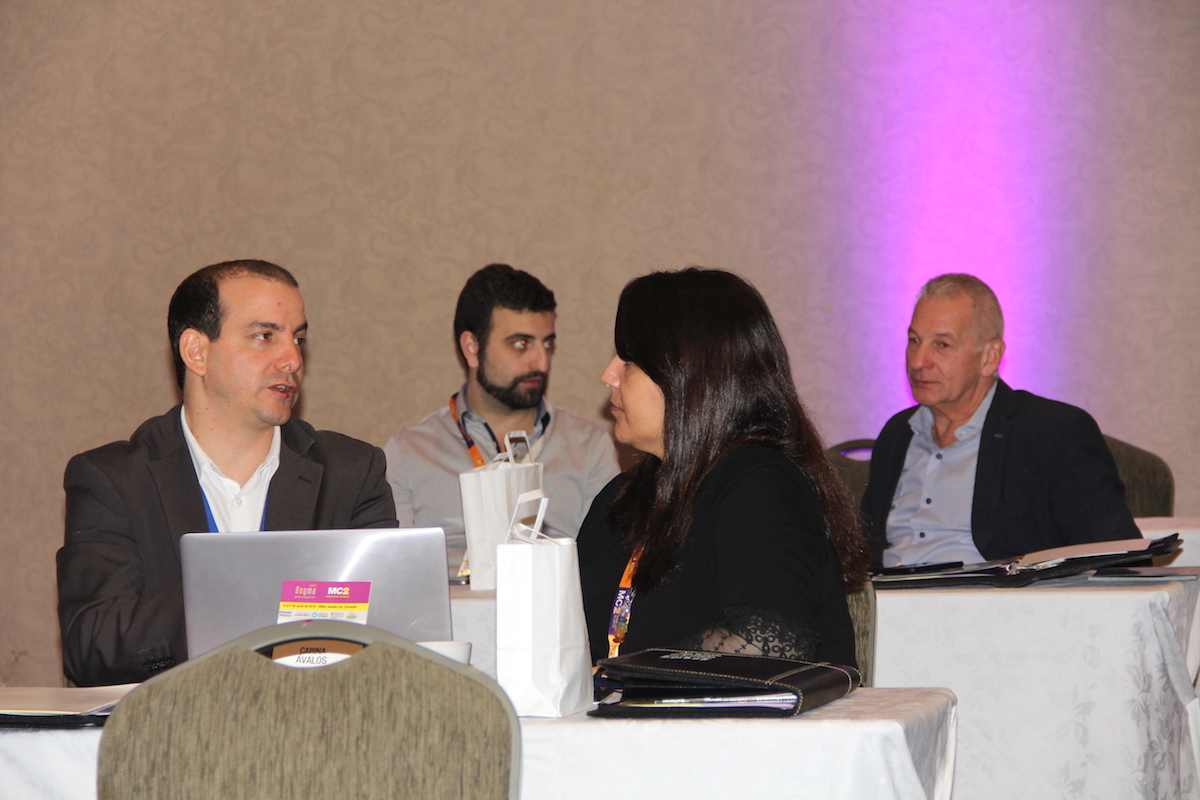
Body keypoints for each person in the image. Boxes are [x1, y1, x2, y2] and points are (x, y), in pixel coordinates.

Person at [57, 260, 397, 686]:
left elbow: (390, 627)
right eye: (264, 336)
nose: (292, 359)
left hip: (315, 713)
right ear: (196, 352)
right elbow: (92, 644)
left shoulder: (351, 472)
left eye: (298, 339)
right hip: (173, 720)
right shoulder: (114, 479)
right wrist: (244, 596)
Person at [577, 268, 869, 668]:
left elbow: (771, 642)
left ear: (690, 375)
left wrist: (627, 674)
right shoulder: (620, 498)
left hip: (742, 712)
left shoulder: (760, 485)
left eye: (628, 361)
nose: (608, 375)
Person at [861, 273, 1140, 569]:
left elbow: (1116, 558)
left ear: (990, 357)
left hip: (988, 596)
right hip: (887, 596)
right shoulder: (897, 434)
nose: (918, 361)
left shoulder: (1052, 432)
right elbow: (862, 552)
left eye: (942, 345)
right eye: (914, 340)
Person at [383, 264, 619, 574]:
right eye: (521, 344)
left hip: (552, 601)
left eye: (547, 344)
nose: (541, 362)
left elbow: (603, 571)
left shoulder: (589, 447)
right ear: (472, 348)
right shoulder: (408, 453)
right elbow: (396, 574)